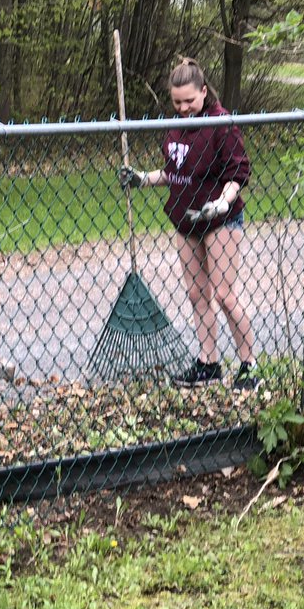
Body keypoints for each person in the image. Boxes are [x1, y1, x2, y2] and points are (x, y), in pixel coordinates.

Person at [119, 57, 258, 390]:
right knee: (197, 294)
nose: (183, 108)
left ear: (204, 92)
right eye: (177, 101)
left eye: (189, 101)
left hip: (219, 219)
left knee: (224, 295)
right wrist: (141, 178)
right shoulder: (176, 126)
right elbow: (173, 172)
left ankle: (249, 365)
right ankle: (208, 364)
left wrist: (222, 202)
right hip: (185, 219)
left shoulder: (221, 123)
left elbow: (238, 172)